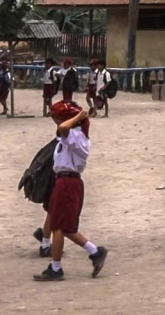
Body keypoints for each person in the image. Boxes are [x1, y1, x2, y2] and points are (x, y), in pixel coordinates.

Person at [33, 100, 108, 282]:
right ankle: (91, 252)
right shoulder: (69, 135)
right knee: (61, 226)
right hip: (62, 182)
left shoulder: (76, 136)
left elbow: (65, 127)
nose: (56, 121)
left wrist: (78, 117)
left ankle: (60, 266)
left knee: (61, 227)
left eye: (58, 118)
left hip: (69, 183)